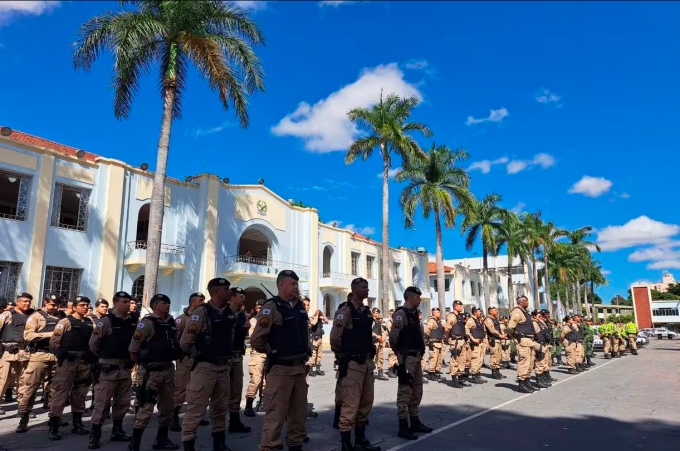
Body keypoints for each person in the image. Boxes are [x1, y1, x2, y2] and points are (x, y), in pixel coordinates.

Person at [250, 270, 310, 451]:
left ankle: (295, 444)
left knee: (299, 414)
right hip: (280, 369)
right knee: (275, 414)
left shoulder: (299, 306)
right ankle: (270, 446)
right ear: (281, 285)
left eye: (296, 284)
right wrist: (272, 352)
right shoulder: (272, 307)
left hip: (299, 369)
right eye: (292, 284)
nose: (296, 287)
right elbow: (256, 339)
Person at [179, 278, 235, 451]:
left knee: (220, 408)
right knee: (196, 409)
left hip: (224, 367)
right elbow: (185, 342)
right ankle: (189, 444)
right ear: (216, 292)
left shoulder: (229, 312)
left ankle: (219, 443)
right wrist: (200, 355)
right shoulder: (202, 312)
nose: (230, 292)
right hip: (205, 368)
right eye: (226, 289)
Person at [330, 277, 380, 451]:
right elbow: (335, 338)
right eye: (364, 287)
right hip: (352, 363)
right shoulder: (346, 310)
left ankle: (361, 438)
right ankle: (346, 442)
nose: (367, 290)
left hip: (367, 362)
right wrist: (342, 355)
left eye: (367, 287)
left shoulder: (366, 311)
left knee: (366, 401)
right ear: (355, 289)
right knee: (350, 403)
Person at [128, 293, 182, 451]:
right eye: (164, 303)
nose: (167, 305)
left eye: (168, 302)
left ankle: (162, 440)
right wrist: (141, 364)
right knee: (145, 408)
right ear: (155, 305)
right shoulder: (147, 323)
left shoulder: (171, 321)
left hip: (168, 369)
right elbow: (133, 349)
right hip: (151, 372)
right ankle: (135, 443)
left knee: (168, 407)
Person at [88, 291, 137, 448]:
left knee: (122, 402)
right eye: (124, 302)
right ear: (116, 303)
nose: (127, 305)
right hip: (108, 368)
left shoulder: (132, 321)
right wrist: (102, 359)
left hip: (125, 367)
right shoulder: (106, 321)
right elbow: (93, 344)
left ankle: (117, 430)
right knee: (102, 403)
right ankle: (95, 435)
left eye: (129, 302)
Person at [48, 296, 95, 440]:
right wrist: (63, 354)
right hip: (68, 363)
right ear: (74, 307)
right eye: (82, 305)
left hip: (84, 363)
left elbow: (93, 342)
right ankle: (54, 425)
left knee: (80, 394)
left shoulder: (89, 322)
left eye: (87, 305)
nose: (85, 307)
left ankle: (77, 423)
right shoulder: (65, 322)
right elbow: (54, 342)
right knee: (61, 393)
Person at [389, 287, 433, 441]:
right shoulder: (401, 313)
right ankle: (403, 426)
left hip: (417, 357)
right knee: (405, 392)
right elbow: (394, 337)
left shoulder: (414, 314)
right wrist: (400, 354)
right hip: (407, 358)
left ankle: (415, 421)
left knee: (417, 390)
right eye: (418, 297)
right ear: (410, 298)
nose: (420, 300)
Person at [17, 294, 65, 433]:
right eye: (51, 304)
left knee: (56, 388)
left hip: (56, 355)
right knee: (31, 387)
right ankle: (24, 417)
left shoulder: (62, 316)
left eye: (56, 305)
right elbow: (28, 335)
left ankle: (54, 417)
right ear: (45, 303)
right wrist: (50, 334)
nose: (54, 307)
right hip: (40, 355)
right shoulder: (36, 316)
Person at [171, 292, 207, 431]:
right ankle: (174, 417)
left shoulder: (204, 318)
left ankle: (197, 416)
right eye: (200, 300)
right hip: (185, 359)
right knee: (180, 389)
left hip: (199, 359)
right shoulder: (182, 320)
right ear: (193, 303)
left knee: (199, 389)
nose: (203, 303)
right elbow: (176, 340)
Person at [0, 292, 34, 416]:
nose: (27, 304)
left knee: (24, 381)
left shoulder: (32, 315)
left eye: (29, 302)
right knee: (3, 380)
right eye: (24, 301)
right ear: (18, 302)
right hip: (8, 352)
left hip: (25, 352)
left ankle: (22, 407)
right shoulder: (7, 314)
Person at [227, 286, 252, 433]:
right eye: (241, 296)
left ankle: (235, 421)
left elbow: (242, 332)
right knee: (221, 392)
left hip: (237, 356)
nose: (243, 298)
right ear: (233, 297)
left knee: (236, 390)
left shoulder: (242, 314)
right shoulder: (223, 312)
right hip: (224, 357)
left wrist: (246, 328)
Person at [506, 296, 538, 394]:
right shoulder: (517, 312)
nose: (528, 302)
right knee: (524, 362)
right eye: (526, 301)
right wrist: (515, 337)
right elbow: (510, 327)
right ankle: (522, 384)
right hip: (523, 340)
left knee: (530, 362)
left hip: (529, 340)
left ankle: (527, 381)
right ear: (521, 302)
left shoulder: (524, 311)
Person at [244, 300, 267, 417]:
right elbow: (254, 338)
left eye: (262, 307)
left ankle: (263, 403)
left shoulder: (269, 320)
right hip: (258, 353)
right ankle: (249, 405)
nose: (260, 309)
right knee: (256, 380)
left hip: (268, 353)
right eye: (258, 307)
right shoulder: (254, 321)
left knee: (267, 381)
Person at [444, 300, 470, 388]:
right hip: (455, 341)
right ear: (455, 306)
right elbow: (447, 329)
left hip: (461, 340)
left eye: (461, 306)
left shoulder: (459, 316)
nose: (461, 307)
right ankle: (454, 380)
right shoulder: (452, 316)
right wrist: (447, 338)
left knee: (462, 360)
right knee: (455, 359)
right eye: (459, 306)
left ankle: (460, 378)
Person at [465, 307, 487, 384]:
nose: (480, 312)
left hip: (481, 343)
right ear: (475, 312)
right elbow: (466, 330)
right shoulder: (471, 320)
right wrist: (473, 339)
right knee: (475, 359)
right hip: (475, 344)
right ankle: (474, 376)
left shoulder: (479, 320)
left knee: (480, 360)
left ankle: (478, 375)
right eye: (479, 311)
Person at [483, 307, 506, 380]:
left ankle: (497, 371)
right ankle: (494, 372)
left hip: (498, 340)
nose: (497, 311)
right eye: (495, 310)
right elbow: (492, 330)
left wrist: (503, 335)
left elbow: (498, 329)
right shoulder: (488, 320)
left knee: (498, 357)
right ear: (490, 312)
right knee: (494, 356)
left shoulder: (495, 319)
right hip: (493, 340)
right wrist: (500, 335)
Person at [423, 308, 445, 381]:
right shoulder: (431, 321)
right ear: (433, 313)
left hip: (439, 343)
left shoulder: (438, 321)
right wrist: (430, 340)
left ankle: (436, 372)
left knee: (439, 359)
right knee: (433, 359)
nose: (439, 313)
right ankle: (431, 373)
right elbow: (426, 332)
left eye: (439, 312)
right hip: (434, 343)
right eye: (438, 312)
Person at [370, 308, 389, 381]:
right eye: (376, 313)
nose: (378, 314)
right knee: (371, 358)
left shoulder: (378, 322)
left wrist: (383, 339)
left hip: (380, 343)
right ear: (373, 313)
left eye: (378, 313)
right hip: (373, 342)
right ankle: (369, 373)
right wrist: (377, 336)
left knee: (380, 358)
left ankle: (380, 373)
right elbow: (369, 331)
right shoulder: (371, 321)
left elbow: (383, 331)